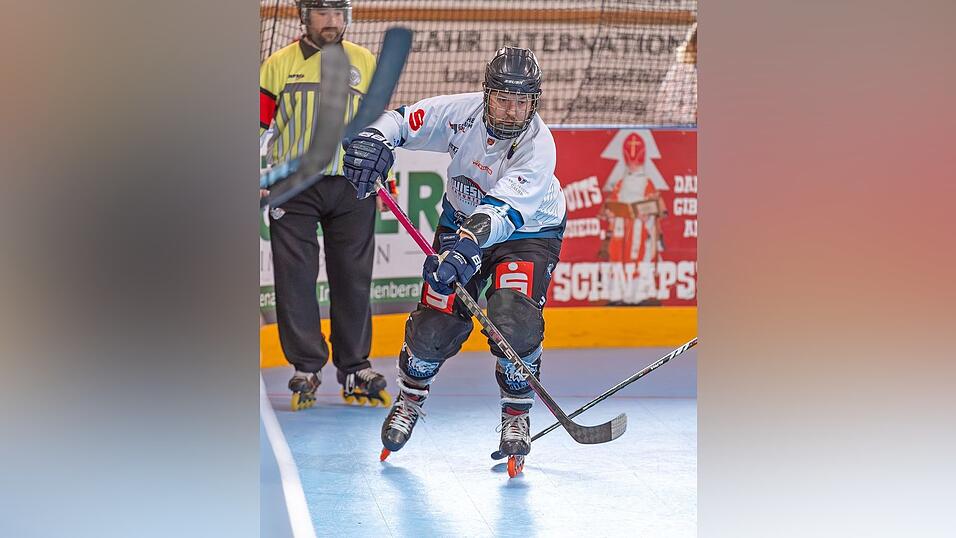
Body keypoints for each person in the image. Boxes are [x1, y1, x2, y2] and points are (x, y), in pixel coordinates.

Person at [343, 47, 567, 461]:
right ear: (486, 94)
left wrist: (464, 247)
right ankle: (409, 400)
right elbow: (400, 122)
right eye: (503, 99)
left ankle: (516, 412)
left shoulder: (540, 147)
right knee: (433, 327)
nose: (512, 111)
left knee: (514, 321)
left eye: (522, 102)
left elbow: (503, 213)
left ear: (534, 101)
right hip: (461, 224)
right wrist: (375, 140)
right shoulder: (459, 113)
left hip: (528, 232)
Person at [259, 0, 390, 411]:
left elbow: (381, 127)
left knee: (353, 278)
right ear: (304, 17)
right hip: (292, 188)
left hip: (352, 186)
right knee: (294, 279)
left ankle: (355, 366)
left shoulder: (364, 63)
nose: (332, 22)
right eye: (322, 13)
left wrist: (385, 167)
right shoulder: (277, 65)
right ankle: (305, 367)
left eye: (338, 13)